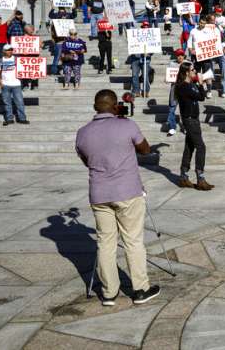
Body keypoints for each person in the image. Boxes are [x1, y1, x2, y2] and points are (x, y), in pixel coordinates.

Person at [74, 89, 160, 305]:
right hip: (128, 191)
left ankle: (109, 292)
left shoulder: (82, 132)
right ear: (115, 106)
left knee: (105, 243)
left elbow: (87, 160)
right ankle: (140, 289)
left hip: (100, 193)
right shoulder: (127, 125)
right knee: (133, 241)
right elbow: (145, 149)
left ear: (95, 107)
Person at [174, 64, 213, 190]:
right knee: (201, 147)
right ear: (186, 73)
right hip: (189, 120)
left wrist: (201, 84)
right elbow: (200, 97)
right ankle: (200, 177)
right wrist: (201, 83)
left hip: (194, 119)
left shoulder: (191, 84)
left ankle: (183, 177)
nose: (195, 71)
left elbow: (202, 97)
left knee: (189, 147)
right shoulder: (182, 87)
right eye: (192, 70)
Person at [0, 44, 29, 125]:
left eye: (11, 49)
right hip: (5, 85)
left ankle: (22, 118)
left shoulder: (17, 59)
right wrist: (1, 83)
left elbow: (27, 63)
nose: (10, 51)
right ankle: (9, 119)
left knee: (20, 102)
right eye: (8, 50)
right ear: (4, 51)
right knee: (7, 103)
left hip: (16, 84)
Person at [166, 49, 186, 137]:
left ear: (184, 56)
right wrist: (167, 79)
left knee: (185, 110)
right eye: (178, 55)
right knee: (172, 109)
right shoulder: (171, 64)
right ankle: (172, 127)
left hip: (185, 90)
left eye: (181, 55)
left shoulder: (188, 64)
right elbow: (168, 76)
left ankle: (186, 127)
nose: (180, 57)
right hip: (174, 89)